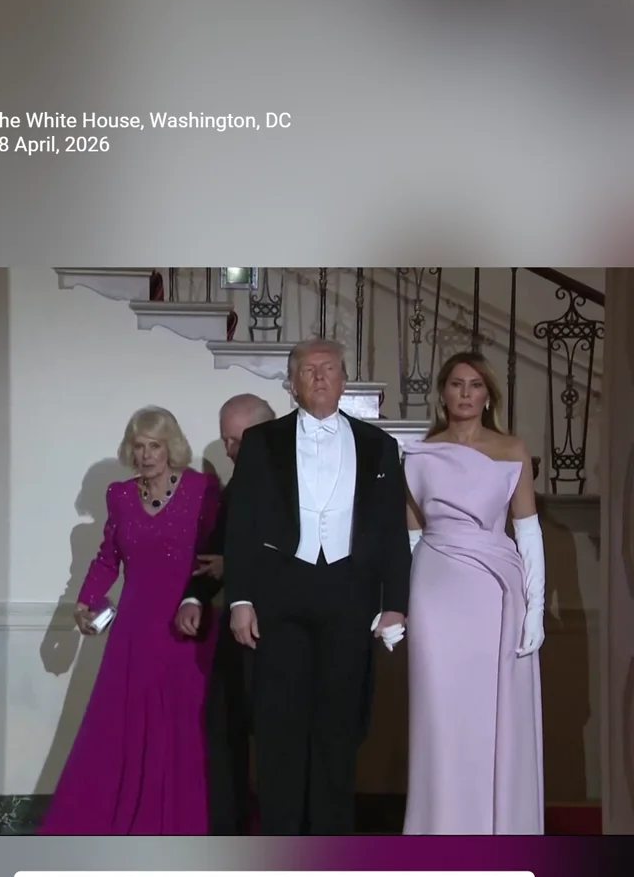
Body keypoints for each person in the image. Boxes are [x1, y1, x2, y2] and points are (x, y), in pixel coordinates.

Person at [224, 337, 411, 836]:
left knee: (339, 727)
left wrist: (395, 604)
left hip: (349, 597)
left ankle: (332, 846)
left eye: (329, 369)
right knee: (279, 724)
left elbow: (394, 530)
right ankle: (280, 841)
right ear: (291, 383)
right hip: (279, 595)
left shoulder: (380, 446)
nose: (320, 377)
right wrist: (240, 598)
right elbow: (239, 525)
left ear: (344, 380)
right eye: (309, 370)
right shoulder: (262, 442)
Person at [38, 406, 220, 836]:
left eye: (154, 445)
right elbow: (108, 559)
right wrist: (84, 603)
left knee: (185, 730)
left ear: (170, 446)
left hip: (186, 627)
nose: (145, 455)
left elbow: (217, 549)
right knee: (120, 730)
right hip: (134, 631)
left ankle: (184, 827)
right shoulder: (120, 495)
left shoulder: (202, 489)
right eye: (138, 446)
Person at [402, 350, 545, 836]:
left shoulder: (511, 450)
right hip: (435, 588)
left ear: (488, 396)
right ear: (443, 393)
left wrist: (537, 610)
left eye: (475, 385)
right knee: (439, 716)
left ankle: (495, 830)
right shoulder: (418, 454)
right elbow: (412, 536)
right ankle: (439, 831)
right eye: (457, 384)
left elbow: (528, 533)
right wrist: (399, 607)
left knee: (490, 717)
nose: (465, 393)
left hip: (495, 592)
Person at [175, 393, 277, 835]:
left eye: (238, 441)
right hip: (235, 640)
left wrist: (230, 567)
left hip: (281, 636)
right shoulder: (237, 485)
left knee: (276, 745)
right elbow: (213, 553)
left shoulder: (295, 480)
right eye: (226, 441)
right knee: (222, 731)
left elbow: (295, 559)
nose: (231, 451)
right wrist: (194, 598)